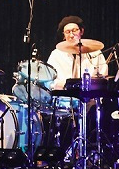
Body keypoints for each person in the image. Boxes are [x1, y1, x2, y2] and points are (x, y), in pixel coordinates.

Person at [44, 16, 109, 153]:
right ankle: (62, 152)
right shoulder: (56, 55)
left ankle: (91, 151)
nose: (71, 34)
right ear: (63, 35)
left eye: (74, 30)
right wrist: (62, 86)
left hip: (89, 102)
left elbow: (103, 77)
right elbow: (49, 80)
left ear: (81, 31)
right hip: (64, 102)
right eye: (67, 32)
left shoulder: (95, 53)